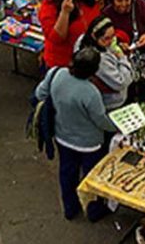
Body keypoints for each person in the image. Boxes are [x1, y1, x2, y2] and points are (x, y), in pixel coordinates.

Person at [33, 46, 116, 221]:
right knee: (91, 178)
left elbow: (40, 94)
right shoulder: (90, 93)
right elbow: (101, 121)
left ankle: (70, 209)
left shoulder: (57, 73)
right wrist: (118, 126)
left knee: (67, 173)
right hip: (89, 144)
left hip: (63, 138)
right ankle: (92, 210)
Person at [38, 0, 100, 69]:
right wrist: (65, 13)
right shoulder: (49, 7)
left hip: (88, 56)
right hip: (64, 62)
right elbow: (56, 38)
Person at [75, 17, 135, 110]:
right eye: (106, 38)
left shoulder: (83, 39)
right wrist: (122, 58)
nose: (110, 42)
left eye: (112, 36)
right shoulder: (100, 60)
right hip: (111, 103)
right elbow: (121, 82)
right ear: (94, 36)